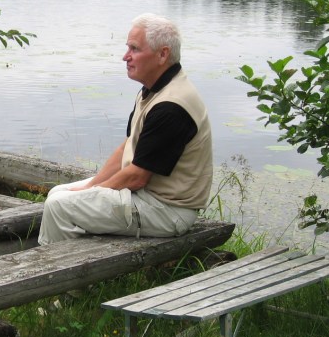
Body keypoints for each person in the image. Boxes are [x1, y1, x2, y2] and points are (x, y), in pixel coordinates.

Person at [38, 13, 212, 245]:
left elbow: (137, 177)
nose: (125, 56)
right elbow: (127, 147)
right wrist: (90, 187)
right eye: (128, 47)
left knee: (59, 206)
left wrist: (93, 193)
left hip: (168, 211)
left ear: (162, 54)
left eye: (135, 49)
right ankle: (73, 256)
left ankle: (54, 264)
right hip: (149, 198)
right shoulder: (153, 90)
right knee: (58, 193)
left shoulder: (171, 107)